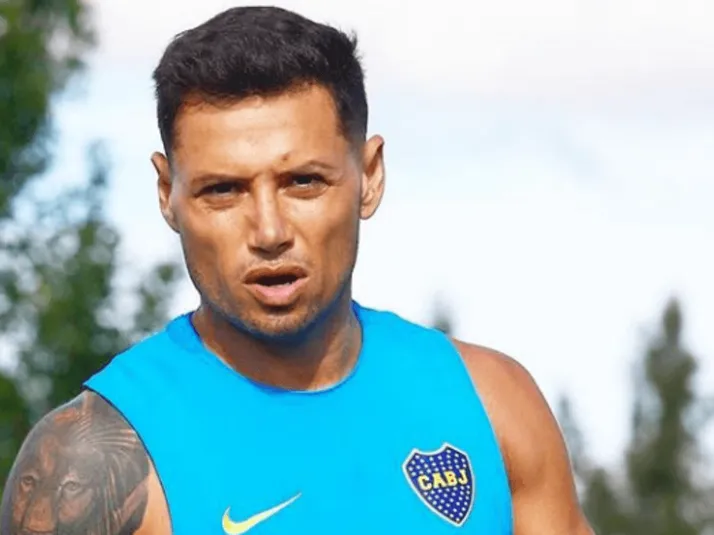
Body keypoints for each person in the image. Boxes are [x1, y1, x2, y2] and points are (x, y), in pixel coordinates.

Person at [0, 6, 594, 535]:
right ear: (167, 194)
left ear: (370, 176)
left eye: (303, 182)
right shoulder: (92, 467)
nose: (269, 231)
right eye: (223, 190)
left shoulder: (492, 406)